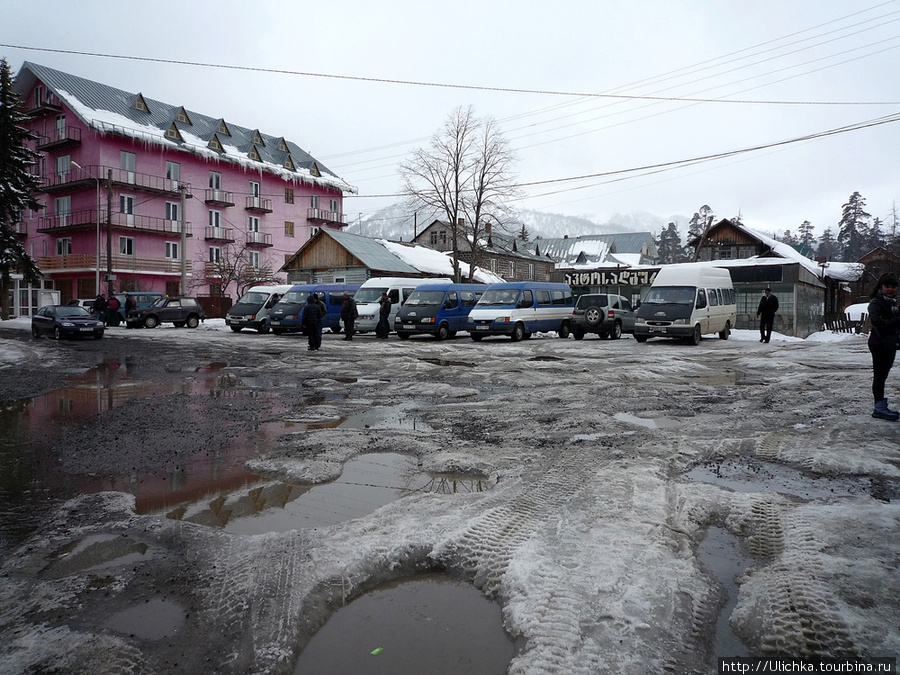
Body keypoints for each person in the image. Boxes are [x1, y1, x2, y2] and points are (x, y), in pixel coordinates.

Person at [867, 272, 900, 421]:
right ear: (881, 287)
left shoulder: (893, 303)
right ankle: (878, 408)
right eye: (887, 286)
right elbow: (877, 321)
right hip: (879, 343)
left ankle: (881, 406)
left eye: (893, 287)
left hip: (890, 344)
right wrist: (896, 320)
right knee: (880, 376)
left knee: (884, 375)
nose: (890, 289)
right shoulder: (876, 302)